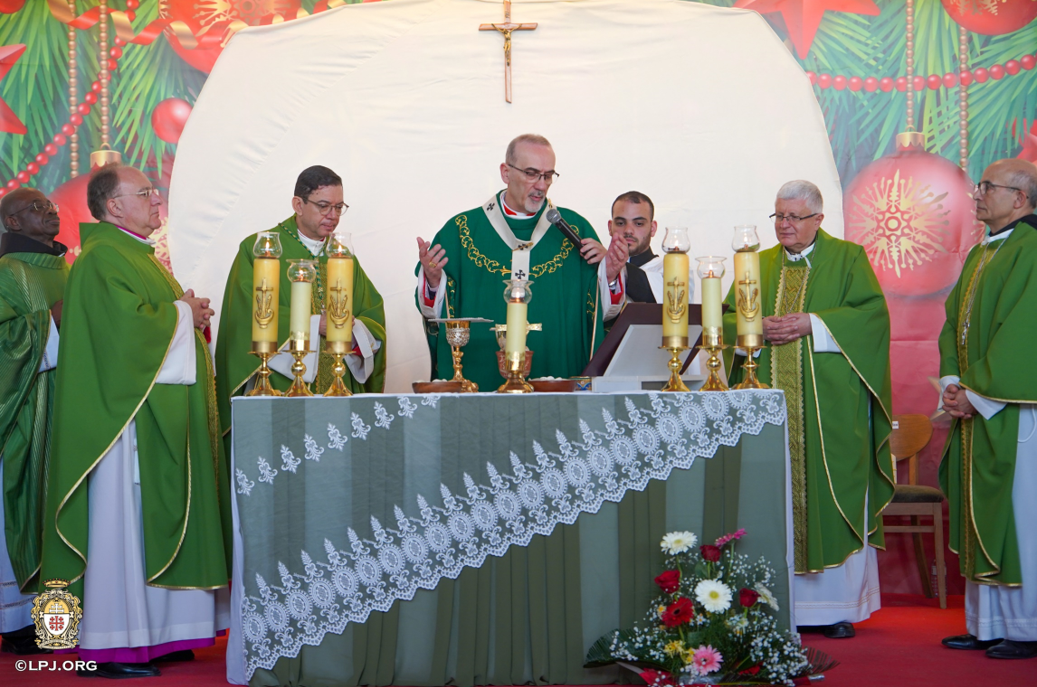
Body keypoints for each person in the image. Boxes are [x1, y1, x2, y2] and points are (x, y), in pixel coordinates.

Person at [40, 164, 231, 679]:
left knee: (145, 529)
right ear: (113, 205)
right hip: (119, 427)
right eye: (144, 193)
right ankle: (110, 644)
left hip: (145, 415)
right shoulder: (103, 258)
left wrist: (184, 313)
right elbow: (126, 336)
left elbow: (153, 319)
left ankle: (160, 635)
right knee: (119, 530)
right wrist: (180, 314)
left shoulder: (136, 255)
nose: (156, 202)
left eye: (155, 192)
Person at [723, 180, 894, 638]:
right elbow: (722, 321)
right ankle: (769, 605)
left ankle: (834, 606)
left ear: (819, 219)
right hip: (767, 414)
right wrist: (751, 327)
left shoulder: (848, 258)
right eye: (778, 216)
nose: (784, 225)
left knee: (831, 491)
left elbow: (872, 317)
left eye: (795, 217)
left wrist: (813, 323)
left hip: (829, 413)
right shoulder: (753, 266)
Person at [416, 134, 627, 389]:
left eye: (548, 176)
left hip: (558, 378)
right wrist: (434, 281)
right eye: (531, 173)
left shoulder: (575, 230)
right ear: (506, 173)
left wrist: (611, 275)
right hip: (479, 380)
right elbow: (433, 312)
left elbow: (602, 317)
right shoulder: (461, 231)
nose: (541, 185)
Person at [938, 158, 1037, 660]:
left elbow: (1024, 332)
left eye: (988, 187)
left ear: (1020, 199)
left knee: (1020, 517)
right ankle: (987, 624)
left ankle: (1027, 627)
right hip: (978, 406)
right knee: (982, 513)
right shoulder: (983, 252)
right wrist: (954, 384)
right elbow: (953, 320)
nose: (977, 194)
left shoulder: (1032, 249)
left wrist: (976, 391)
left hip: (1015, 410)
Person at [216, 166, 385, 436]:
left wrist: (353, 330)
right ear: (298, 204)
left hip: (339, 390)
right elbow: (245, 315)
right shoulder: (261, 249)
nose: (333, 216)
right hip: (280, 388)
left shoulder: (341, 255)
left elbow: (372, 315)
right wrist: (314, 325)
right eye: (324, 206)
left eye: (339, 207)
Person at [0, 188, 68, 655]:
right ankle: (17, 620)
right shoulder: (7, 272)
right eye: (36, 208)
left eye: (51, 205)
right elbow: (5, 343)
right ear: (13, 222)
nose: (50, 211)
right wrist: (52, 322)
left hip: (69, 404)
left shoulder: (71, 266)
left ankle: (58, 618)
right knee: (25, 507)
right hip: (27, 409)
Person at [607, 191, 693, 305]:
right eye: (620, 223)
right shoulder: (598, 269)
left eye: (638, 224)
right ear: (610, 227)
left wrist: (619, 268)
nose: (628, 230)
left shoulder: (673, 270)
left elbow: (671, 307)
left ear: (653, 228)